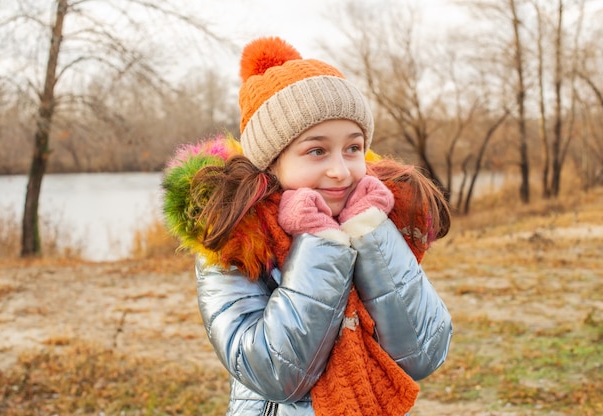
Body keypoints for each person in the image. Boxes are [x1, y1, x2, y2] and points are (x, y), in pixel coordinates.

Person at [162, 36, 453, 416]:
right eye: (316, 151)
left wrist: (370, 233)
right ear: (271, 163)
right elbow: (276, 374)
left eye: (353, 148)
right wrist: (321, 241)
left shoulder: (375, 222)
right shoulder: (237, 241)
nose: (340, 170)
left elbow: (424, 353)